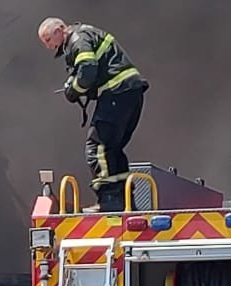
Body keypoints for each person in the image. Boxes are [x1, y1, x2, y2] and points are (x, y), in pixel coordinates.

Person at [38, 17, 149, 212]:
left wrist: (74, 89)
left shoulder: (77, 38)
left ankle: (110, 201)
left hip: (117, 92)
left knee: (97, 147)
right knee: (112, 149)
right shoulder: (88, 34)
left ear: (60, 30)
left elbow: (88, 69)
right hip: (129, 93)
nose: (48, 47)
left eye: (48, 40)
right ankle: (125, 201)